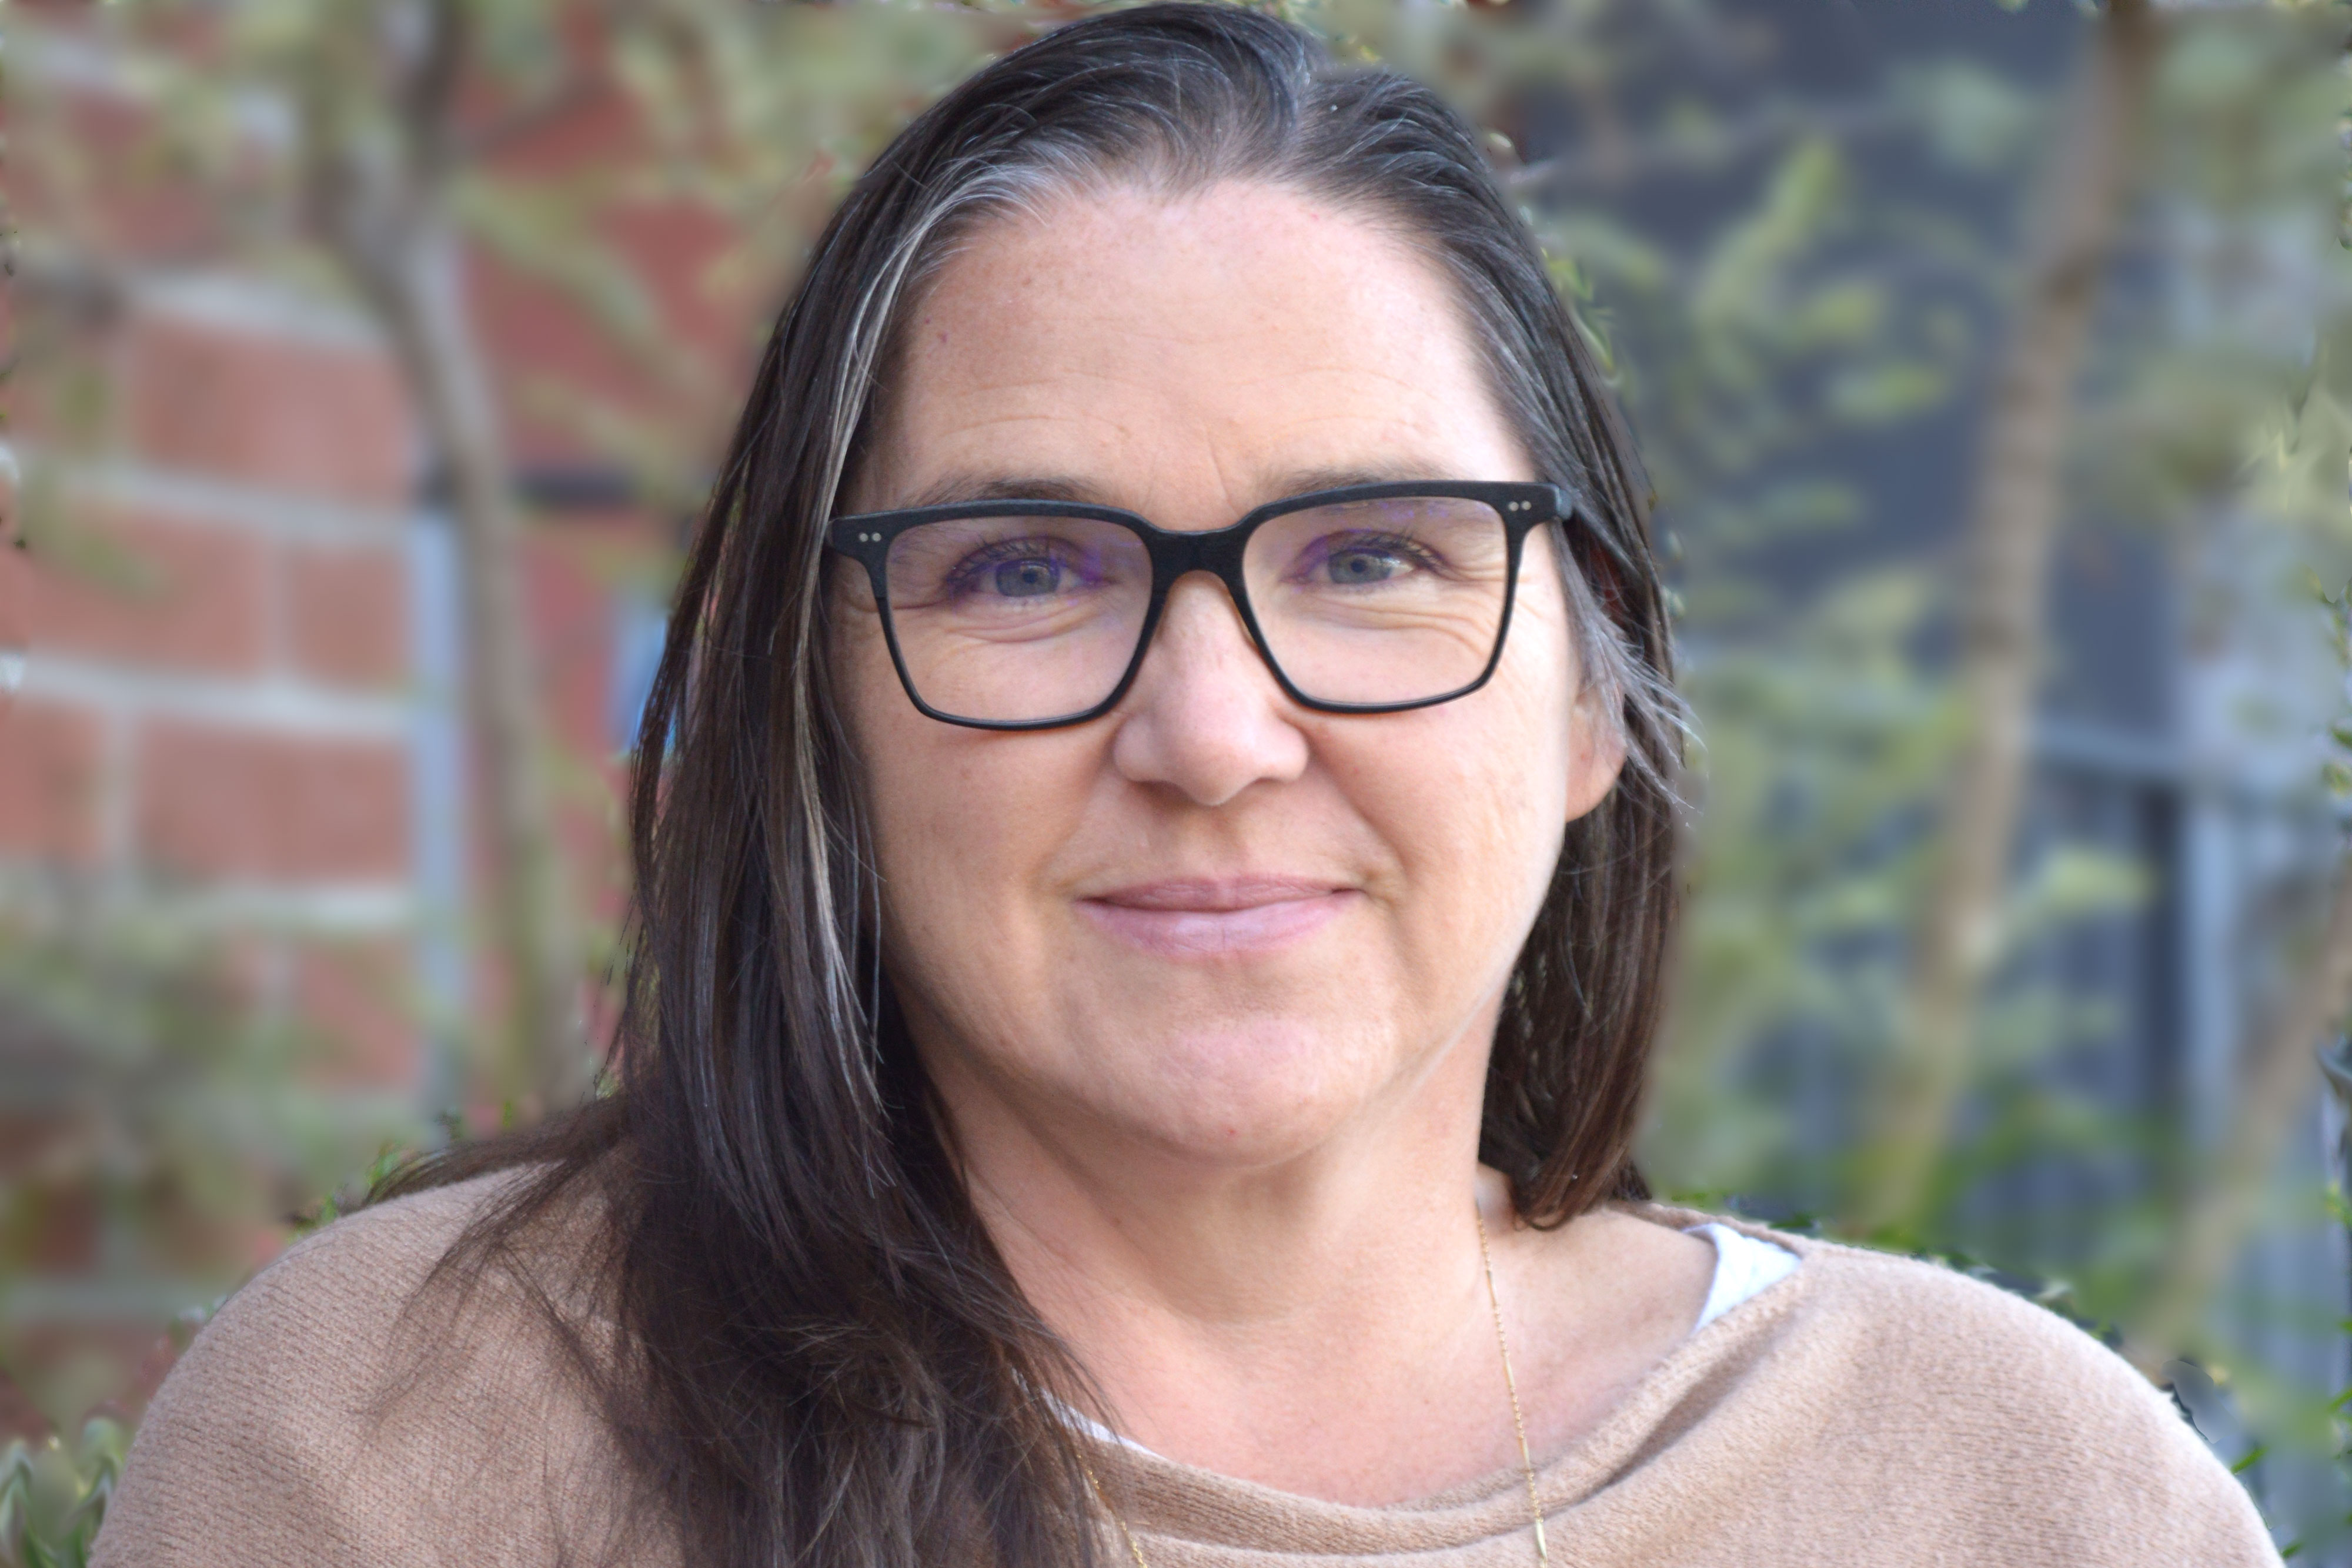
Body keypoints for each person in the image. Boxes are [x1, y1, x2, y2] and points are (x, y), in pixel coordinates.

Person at [95, 8, 2277, 1566]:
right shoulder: (403, 1451)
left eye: (1374, 556)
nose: (1214, 734)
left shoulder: (2031, 1495)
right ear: (817, 706)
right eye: (1026, 569)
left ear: (1591, 695)